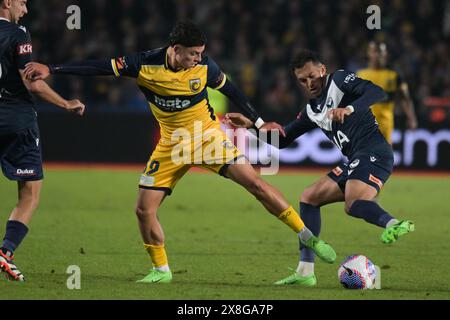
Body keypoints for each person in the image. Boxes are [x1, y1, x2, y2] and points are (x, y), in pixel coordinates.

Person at [24, 22, 337, 283]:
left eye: (201, 54)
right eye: (192, 54)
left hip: (208, 139)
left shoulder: (206, 67)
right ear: (175, 49)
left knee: (255, 184)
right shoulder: (142, 64)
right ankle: (161, 269)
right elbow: (97, 68)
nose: (198, 59)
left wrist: (257, 121)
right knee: (143, 209)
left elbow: (232, 90)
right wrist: (52, 68)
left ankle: (308, 235)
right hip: (171, 145)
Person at [224, 50, 415, 287]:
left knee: (352, 204)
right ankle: (305, 272)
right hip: (355, 159)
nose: (309, 83)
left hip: (375, 153)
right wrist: (250, 126)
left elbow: (377, 91)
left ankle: (392, 223)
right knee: (309, 198)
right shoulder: (312, 110)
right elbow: (282, 140)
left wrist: (349, 109)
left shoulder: (340, 80)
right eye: (303, 80)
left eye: (312, 76)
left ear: (322, 70)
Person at [0, 0, 85, 281]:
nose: (25, 10)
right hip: (17, 121)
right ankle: (6, 251)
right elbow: (32, 81)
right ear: (7, 2)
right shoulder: (18, 32)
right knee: (29, 194)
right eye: (22, 2)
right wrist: (65, 103)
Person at [357, 41, 417, 144]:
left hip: (384, 125)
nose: (378, 55)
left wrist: (411, 117)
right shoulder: (360, 75)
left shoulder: (393, 76)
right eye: (375, 51)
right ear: (369, 53)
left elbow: (405, 98)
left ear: (386, 54)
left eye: (381, 52)